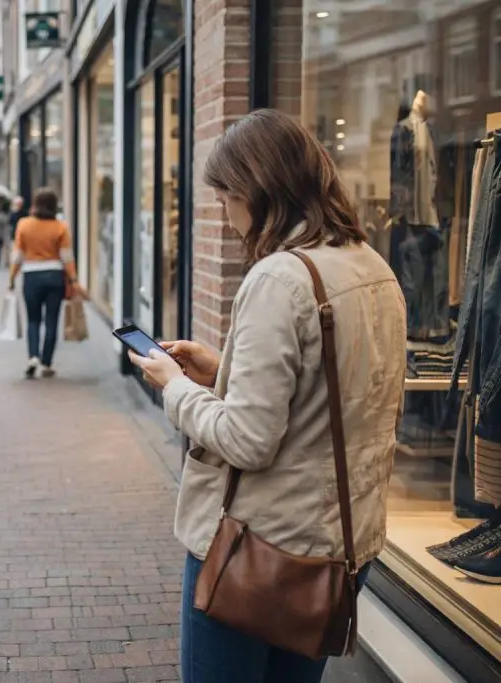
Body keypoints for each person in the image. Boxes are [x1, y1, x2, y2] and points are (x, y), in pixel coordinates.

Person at [127, 109, 406, 683]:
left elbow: (246, 441)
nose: (228, 219)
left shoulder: (279, 278)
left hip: (258, 548)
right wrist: (223, 369)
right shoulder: (372, 266)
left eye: (227, 200)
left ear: (258, 191)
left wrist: (174, 386)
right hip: (342, 543)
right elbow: (333, 387)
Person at [9, 188, 81, 379]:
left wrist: (11, 277)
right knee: (51, 320)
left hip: (31, 276)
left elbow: (17, 256)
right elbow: (67, 257)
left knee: (33, 320)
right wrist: (73, 279)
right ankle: (47, 362)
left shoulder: (23, 225)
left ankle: (33, 356)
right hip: (54, 276)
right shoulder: (60, 227)